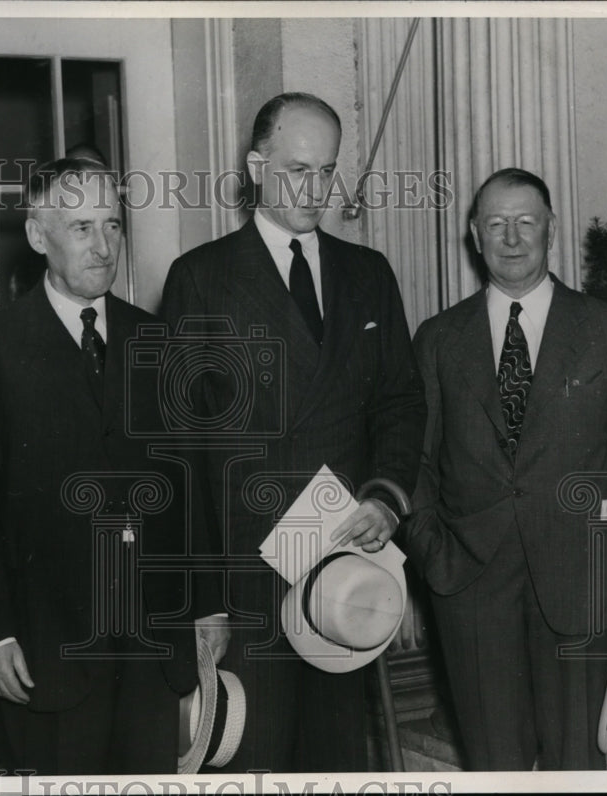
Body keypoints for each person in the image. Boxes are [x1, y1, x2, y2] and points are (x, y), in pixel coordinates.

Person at [159, 92, 426, 772]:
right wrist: (201, 599)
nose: (316, 190)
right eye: (298, 170)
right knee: (258, 760)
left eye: (327, 171)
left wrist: (385, 498)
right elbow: (179, 455)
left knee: (338, 759)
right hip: (250, 576)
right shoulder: (202, 279)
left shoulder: (369, 274)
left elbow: (401, 400)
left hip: (343, 563)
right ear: (256, 166)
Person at [0, 157, 225, 775]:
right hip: (47, 647)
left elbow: (192, 483)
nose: (103, 247)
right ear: (37, 237)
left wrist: (210, 603)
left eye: (112, 225)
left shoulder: (156, 341)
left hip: (152, 645)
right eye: (81, 228)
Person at [402, 167, 607, 770]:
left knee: (579, 760)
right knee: (495, 761)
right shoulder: (439, 338)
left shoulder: (605, 327)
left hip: (585, 585)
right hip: (470, 585)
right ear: (474, 234)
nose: (512, 237)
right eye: (497, 224)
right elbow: (415, 462)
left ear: (551, 229)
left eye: (526, 222)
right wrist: (432, 552)